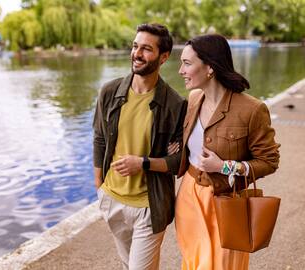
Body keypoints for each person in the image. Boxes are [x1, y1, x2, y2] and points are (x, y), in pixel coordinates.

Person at [175, 34, 280, 270]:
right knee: (193, 262)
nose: (180, 70)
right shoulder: (193, 99)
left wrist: (225, 166)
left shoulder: (252, 109)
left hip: (226, 201)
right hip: (189, 197)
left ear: (210, 67)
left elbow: (270, 161)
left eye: (187, 63)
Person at [92, 23, 187, 270]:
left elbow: (179, 163)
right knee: (127, 265)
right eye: (135, 46)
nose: (137, 53)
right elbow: (100, 139)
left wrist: (143, 163)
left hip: (149, 205)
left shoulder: (175, 105)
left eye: (146, 49)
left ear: (163, 57)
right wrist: (99, 187)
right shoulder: (110, 92)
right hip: (112, 199)